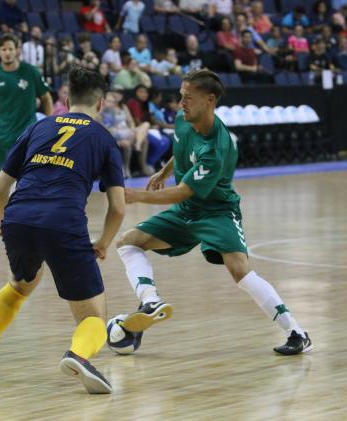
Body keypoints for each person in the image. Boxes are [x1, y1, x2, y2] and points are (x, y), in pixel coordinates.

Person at [116, 69, 312, 355]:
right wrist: (163, 170)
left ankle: (296, 331)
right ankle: (150, 301)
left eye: (188, 98)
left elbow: (185, 190)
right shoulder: (184, 119)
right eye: (181, 96)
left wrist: (136, 196)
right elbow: (181, 146)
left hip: (216, 212)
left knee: (239, 270)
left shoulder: (218, 147)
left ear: (209, 100)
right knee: (128, 241)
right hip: (186, 211)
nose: (181, 103)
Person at [0, 66, 126, 395]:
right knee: (95, 316)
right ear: (101, 103)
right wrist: (104, 242)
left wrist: (3, 224)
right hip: (63, 220)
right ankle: (79, 355)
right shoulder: (103, 138)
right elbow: (118, 207)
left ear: (65, 99)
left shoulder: (40, 126)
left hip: (19, 216)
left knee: (22, 283)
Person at [0, 34, 53, 172]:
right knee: (6, 177)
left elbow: (46, 98)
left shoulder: (31, 71)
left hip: (29, 133)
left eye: (10, 49)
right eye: (3, 49)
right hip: (5, 134)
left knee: (30, 173)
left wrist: (49, 123)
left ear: (17, 50)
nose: (7, 53)